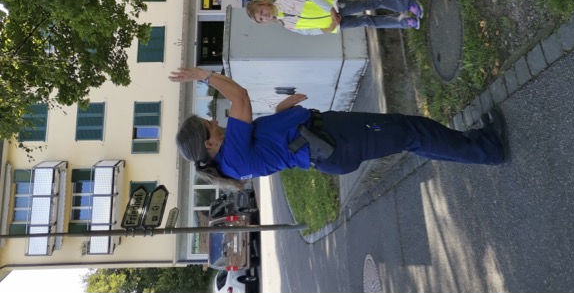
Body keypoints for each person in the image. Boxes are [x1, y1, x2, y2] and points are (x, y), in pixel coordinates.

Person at [171, 68, 510, 186]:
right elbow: (240, 98)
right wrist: (204, 76)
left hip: (329, 136)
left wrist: (279, 112)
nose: (215, 121)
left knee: (411, 130)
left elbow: (269, 143)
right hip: (336, 142)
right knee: (413, 133)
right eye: (209, 125)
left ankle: (480, 142)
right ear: (209, 145)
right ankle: (489, 149)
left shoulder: (233, 153)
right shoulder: (232, 157)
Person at [246, 0, 424, 33]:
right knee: (366, 21)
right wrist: (327, 29)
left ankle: (407, 5)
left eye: (261, 12)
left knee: (368, 4)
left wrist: (331, 11)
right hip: (336, 24)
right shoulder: (287, 25)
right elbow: (308, 32)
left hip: (336, 7)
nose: (264, 16)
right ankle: (403, 22)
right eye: (261, 19)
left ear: (263, 3)